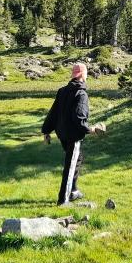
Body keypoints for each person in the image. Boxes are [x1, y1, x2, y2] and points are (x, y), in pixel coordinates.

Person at [42, 63, 98, 205]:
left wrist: (46, 131)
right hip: (73, 136)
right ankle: (63, 200)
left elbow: (53, 112)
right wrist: (89, 129)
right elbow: (79, 118)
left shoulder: (62, 91)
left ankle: (73, 191)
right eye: (85, 74)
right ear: (83, 75)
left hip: (62, 134)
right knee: (70, 166)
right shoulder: (81, 93)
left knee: (77, 159)